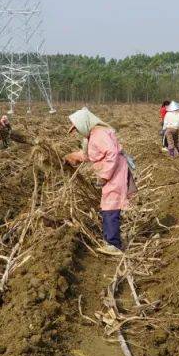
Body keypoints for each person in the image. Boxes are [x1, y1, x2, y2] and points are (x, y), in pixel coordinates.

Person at [63, 108, 131, 255]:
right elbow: (91, 155)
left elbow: (111, 153)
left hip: (115, 173)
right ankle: (111, 241)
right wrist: (73, 156)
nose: (78, 132)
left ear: (84, 124)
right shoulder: (93, 135)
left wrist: (104, 176)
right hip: (112, 173)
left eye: (77, 128)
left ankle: (114, 245)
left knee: (111, 207)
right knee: (108, 206)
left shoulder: (99, 134)